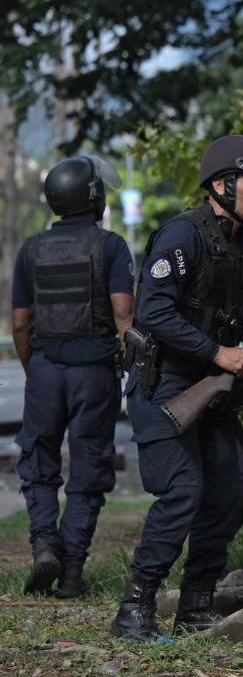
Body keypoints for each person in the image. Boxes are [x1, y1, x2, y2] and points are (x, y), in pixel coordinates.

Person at [111, 135, 243, 640]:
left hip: (209, 386)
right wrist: (217, 352)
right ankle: (134, 609)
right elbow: (153, 311)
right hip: (165, 384)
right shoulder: (184, 235)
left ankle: (198, 601)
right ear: (221, 185)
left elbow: (237, 317)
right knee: (183, 491)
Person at [10, 155, 133, 598]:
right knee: (89, 468)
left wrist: (34, 370)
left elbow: (20, 324)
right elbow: (124, 318)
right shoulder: (112, 246)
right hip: (94, 373)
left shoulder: (30, 249)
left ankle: (44, 543)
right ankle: (73, 572)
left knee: (38, 462)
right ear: (95, 198)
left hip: (44, 368)